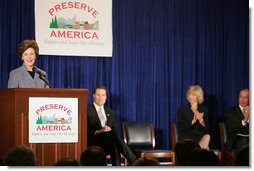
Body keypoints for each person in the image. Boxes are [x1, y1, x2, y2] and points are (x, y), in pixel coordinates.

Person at [87, 86, 137, 166]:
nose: (101, 97)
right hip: (94, 141)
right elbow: (84, 131)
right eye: (98, 95)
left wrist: (109, 130)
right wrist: (99, 131)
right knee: (112, 136)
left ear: (106, 97)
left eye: (103, 95)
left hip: (109, 141)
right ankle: (133, 159)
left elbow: (115, 131)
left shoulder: (110, 112)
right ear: (93, 96)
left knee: (113, 141)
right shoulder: (87, 110)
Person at [177, 85, 210, 149]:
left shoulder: (204, 110)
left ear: (198, 97)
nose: (190, 97)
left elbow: (207, 129)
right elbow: (181, 128)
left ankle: (198, 151)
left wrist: (201, 120)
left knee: (207, 136)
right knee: (206, 149)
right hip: (187, 138)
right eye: (189, 95)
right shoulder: (182, 109)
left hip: (200, 137)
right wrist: (193, 121)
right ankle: (199, 151)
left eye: (193, 95)